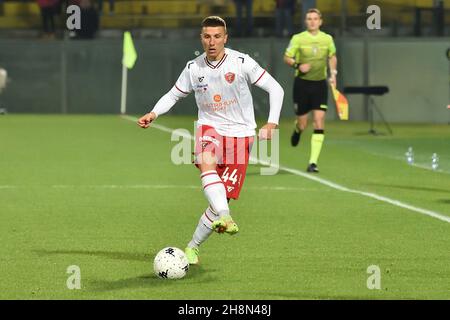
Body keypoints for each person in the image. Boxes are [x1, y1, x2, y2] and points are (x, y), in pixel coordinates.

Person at [137, 16, 284, 265]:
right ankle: (226, 216)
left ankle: (193, 247)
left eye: (217, 36)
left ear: (225, 38)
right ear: (201, 38)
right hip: (210, 128)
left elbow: (276, 89)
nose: (212, 42)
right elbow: (173, 95)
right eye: (207, 36)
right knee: (207, 162)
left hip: (241, 135)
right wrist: (154, 112)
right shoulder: (194, 68)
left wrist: (272, 122)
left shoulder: (241, 62)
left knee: (217, 203)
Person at [283, 8, 337, 173]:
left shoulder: (327, 39)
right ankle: (298, 129)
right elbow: (287, 57)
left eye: (315, 18)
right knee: (303, 123)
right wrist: (298, 65)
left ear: (320, 21)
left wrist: (333, 74)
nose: (312, 21)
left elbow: (332, 56)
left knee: (319, 121)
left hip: (319, 84)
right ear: (306, 21)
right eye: (309, 18)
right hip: (302, 84)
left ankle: (313, 162)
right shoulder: (298, 38)